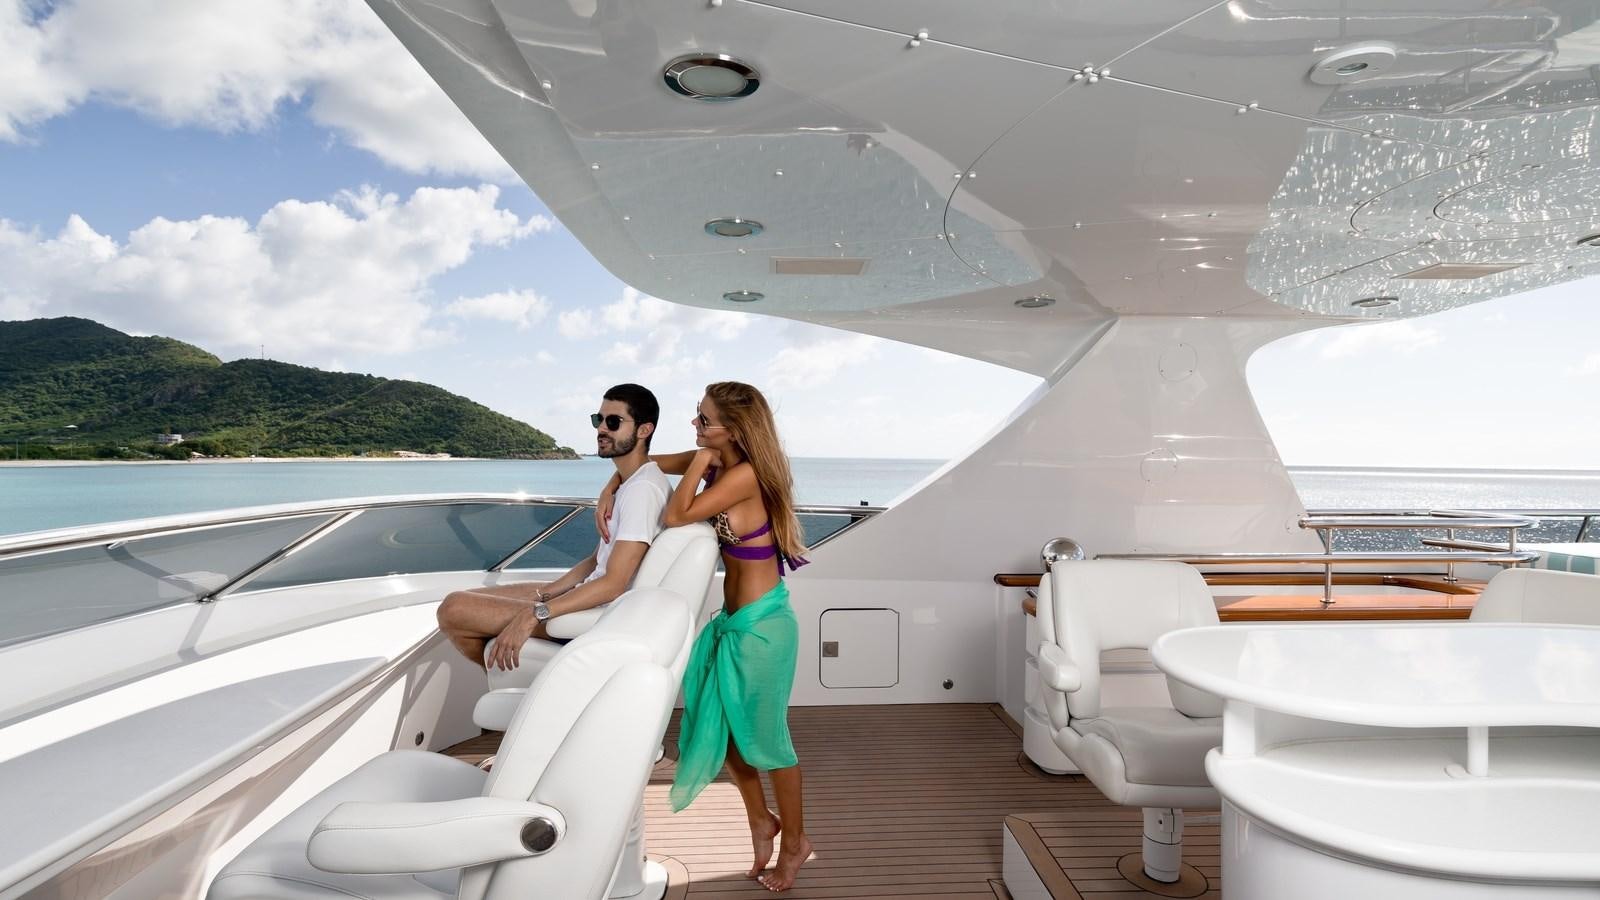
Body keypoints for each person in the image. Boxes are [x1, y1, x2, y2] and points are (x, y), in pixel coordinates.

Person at [596, 381, 811, 892]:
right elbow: (644, 465)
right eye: (697, 416)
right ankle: (762, 822)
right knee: (729, 735)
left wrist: (701, 460)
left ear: (734, 429)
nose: (695, 426)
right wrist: (611, 488)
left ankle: (797, 841)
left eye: (705, 420)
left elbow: (676, 513)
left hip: (764, 627)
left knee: (768, 744)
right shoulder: (718, 459)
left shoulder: (745, 474)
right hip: (733, 623)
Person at [435, 383, 669, 672]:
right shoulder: (630, 482)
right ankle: (515, 678)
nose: (601, 429)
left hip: (595, 618)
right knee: (472, 597)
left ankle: (518, 679)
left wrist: (537, 612)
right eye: (598, 420)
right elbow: (597, 560)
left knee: (454, 609)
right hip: (588, 598)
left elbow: (613, 583)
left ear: (644, 430)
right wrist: (547, 592)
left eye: (613, 421)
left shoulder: (641, 491)